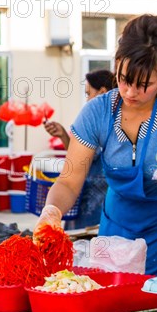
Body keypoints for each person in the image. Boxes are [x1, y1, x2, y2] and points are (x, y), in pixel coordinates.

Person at [34, 15, 157, 276]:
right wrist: (51, 211)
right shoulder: (97, 112)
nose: (130, 92)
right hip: (115, 233)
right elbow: (69, 182)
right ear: (116, 65)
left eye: (143, 85)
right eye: (124, 79)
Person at [43, 69, 116, 230]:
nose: (87, 99)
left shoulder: (105, 124)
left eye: (88, 93)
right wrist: (63, 134)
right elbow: (80, 157)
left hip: (97, 207)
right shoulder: (94, 121)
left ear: (102, 92)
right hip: (85, 201)